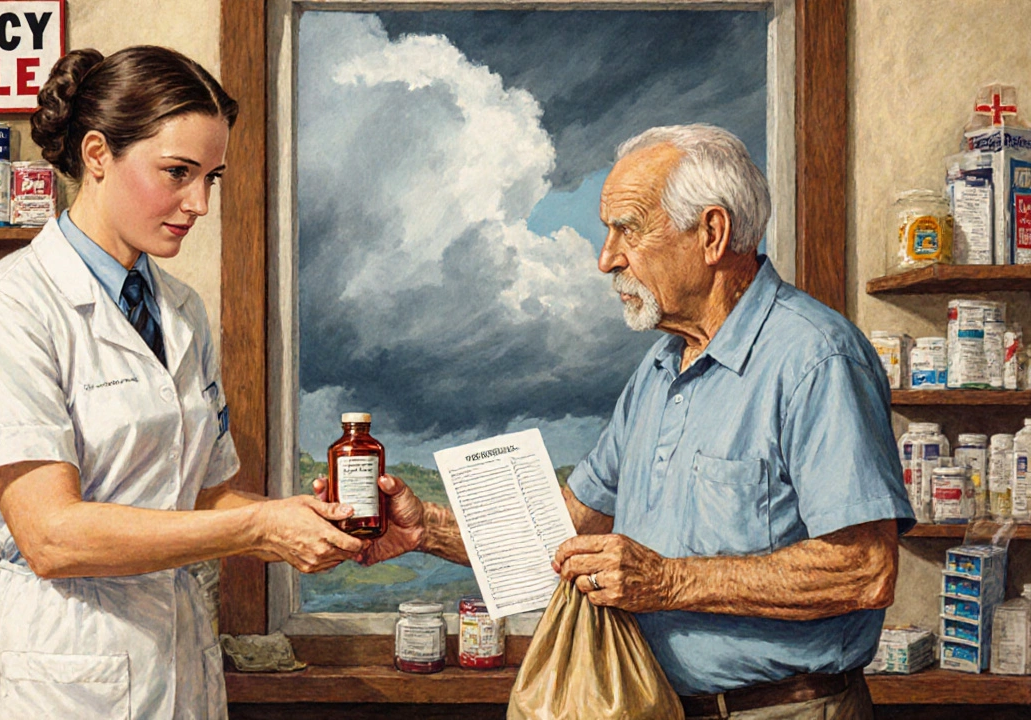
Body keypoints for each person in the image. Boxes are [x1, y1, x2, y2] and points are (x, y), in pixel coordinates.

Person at [321, 124, 914, 719]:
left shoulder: (817, 359)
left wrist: (670, 582)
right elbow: (566, 535)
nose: (606, 259)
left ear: (712, 233)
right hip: (659, 706)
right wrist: (423, 528)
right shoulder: (658, 370)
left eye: (628, 229)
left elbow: (864, 569)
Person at [0, 46, 367, 720]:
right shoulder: (9, 308)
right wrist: (259, 526)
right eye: (177, 172)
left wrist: (311, 522)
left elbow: (204, 496)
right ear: (97, 154)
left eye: (211, 178)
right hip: (57, 661)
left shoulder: (181, 311)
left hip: (173, 647)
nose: (199, 203)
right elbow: (51, 536)